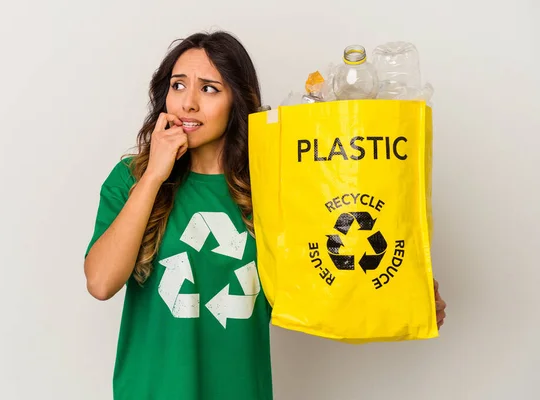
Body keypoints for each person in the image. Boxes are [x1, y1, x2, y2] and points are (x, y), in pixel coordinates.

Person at [83, 30, 447, 400]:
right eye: (178, 85)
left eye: (209, 88)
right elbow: (101, 282)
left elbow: (326, 287)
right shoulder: (130, 180)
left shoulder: (273, 186)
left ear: (237, 101)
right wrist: (154, 176)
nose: (188, 103)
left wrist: (403, 295)